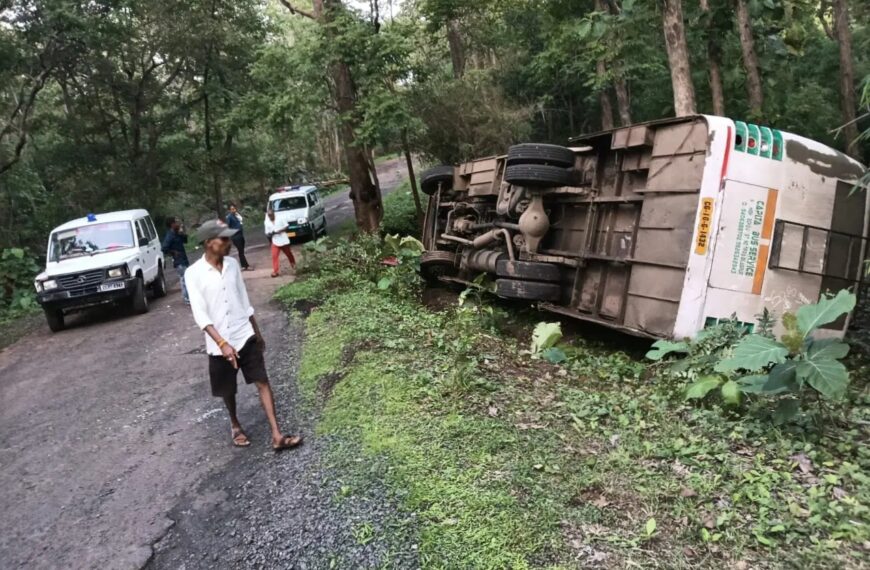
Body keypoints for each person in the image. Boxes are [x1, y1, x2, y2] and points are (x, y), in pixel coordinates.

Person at [184, 219, 302, 451]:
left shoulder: (232, 265)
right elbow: (200, 314)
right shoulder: (193, 273)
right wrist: (222, 343)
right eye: (224, 239)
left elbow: (243, 300)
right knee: (228, 389)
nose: (229, 243)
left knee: (262, 381)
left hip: (243, 333)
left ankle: (277, 434)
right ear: (208, 243)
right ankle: (235, 424)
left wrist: (256, 331)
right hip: (219, 343)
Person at [161, 217, 190, 303]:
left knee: (186, 278)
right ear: (172, 224)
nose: (177, 224)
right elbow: (164, 248)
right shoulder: (170, 236)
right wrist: (173, 252)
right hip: (178, 261)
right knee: (184, 279)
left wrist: (182, 233)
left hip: (184, 259)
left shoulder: (177, 234)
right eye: (176, 222)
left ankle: (188, 297)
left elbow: (185, 241)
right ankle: (186, 298)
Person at [264, 208, 296, 278]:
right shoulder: (267, 222)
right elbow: (267, 233)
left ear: (274, 214)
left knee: (289, 254)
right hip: (275, 240)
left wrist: (279, 231)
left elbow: (287, 226)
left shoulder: (280, 218)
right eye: (269, 215)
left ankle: (294, 265)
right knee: (274, 256)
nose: (270, 216)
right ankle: (275, 271)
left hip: (283, 240)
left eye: (271, 215)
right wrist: (270, 234)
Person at [226, 203, 252, 271]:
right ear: (229, 210)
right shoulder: (229, 217)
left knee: (241, 251)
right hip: (235, 236)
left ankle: (243, 266)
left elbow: (241, 221)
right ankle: (246, 266)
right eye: (232, 209)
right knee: (240, 251)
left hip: (240, 234)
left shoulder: (237, 215)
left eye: (234, 208)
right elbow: (228, 227)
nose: (233, 210)